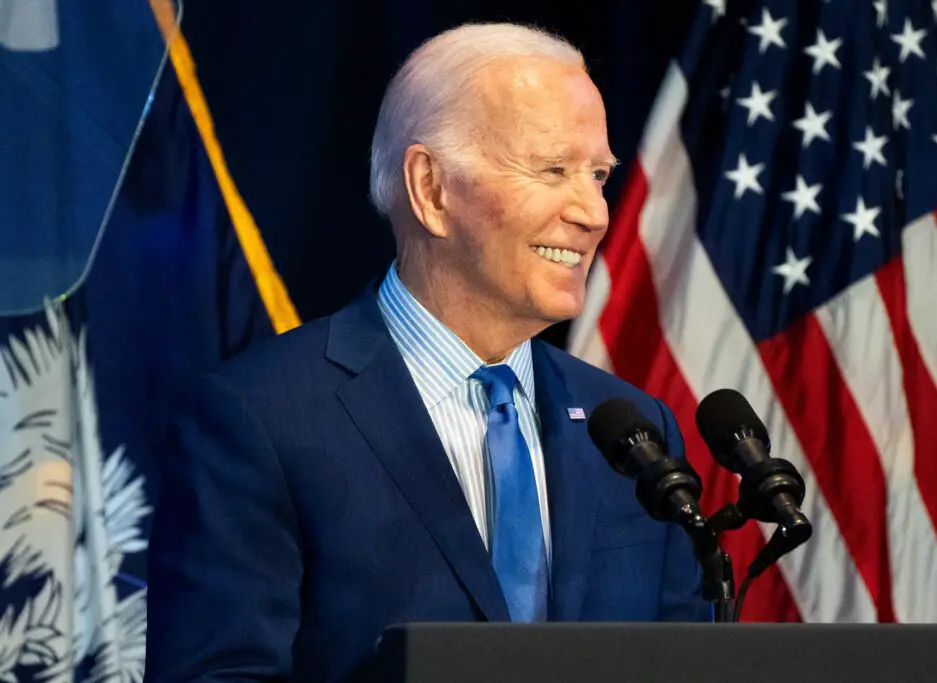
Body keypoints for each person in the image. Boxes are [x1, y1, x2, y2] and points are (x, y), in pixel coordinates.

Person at [144, 21, 710, 683]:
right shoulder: (259, 419)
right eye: (553, 170)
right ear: (431, 189)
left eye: (598, 175)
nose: (592, 212)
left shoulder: (633, 430)